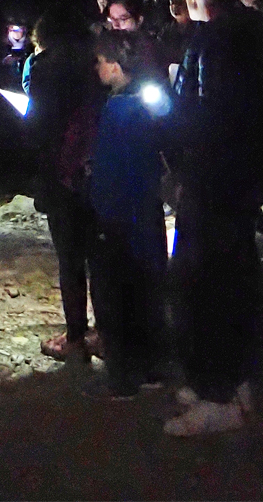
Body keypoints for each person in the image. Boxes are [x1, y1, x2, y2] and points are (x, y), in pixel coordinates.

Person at [162, 0, 263, 436]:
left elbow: (207, 115)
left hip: (213, 181)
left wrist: (178, 149)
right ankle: (237, 379)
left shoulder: (216, 44)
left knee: (205, 282)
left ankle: (217, 391)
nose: (189, 1)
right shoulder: (241, 43)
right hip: (235, 181)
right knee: (236, 274)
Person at [89, 32, 169, 396]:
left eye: (100, 60)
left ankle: (123, 380)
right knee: (149, 293)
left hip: (120, 218)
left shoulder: (118, 109)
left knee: (117, 299)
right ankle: (154, 369)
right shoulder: (149, 105)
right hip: (145, 213)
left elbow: (110, 169)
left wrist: (99, 205)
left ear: (116, 65)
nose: (96, 67)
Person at [26, 7, 103, 363]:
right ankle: (104, 331)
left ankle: (75, 336)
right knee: (99, 254)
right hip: (95, 169)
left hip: (60, 173)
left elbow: (39, 125)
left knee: (69, 257)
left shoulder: (44, 68)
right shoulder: (95, 63)